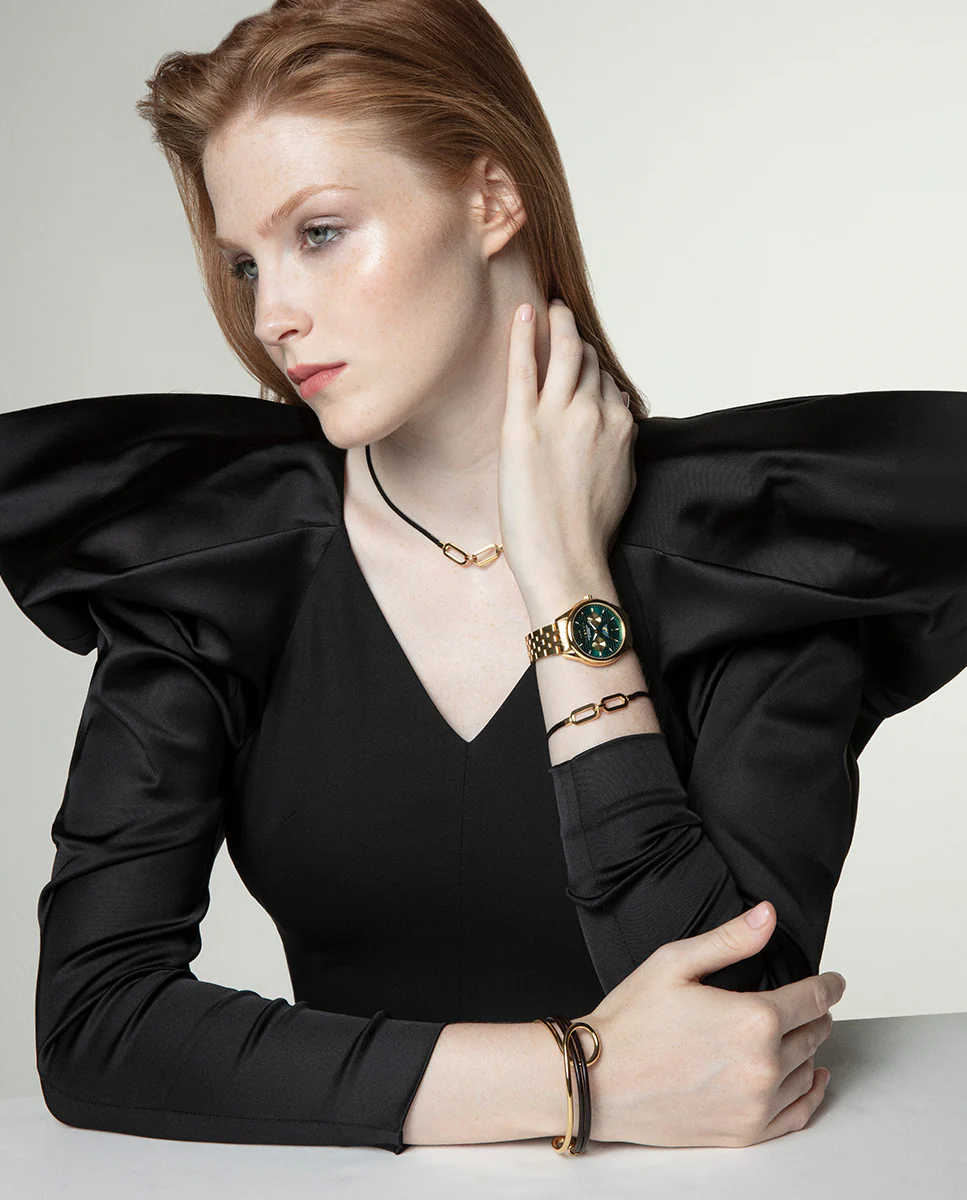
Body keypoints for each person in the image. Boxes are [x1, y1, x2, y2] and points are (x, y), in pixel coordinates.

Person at [1, 0, 965, 1157]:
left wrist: (566, 587)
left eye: (320, 233)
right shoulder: (219, 562)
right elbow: (96, 1025)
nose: (272, 315)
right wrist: (576, 1077)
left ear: (492, 198)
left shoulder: (749, 548)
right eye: (246, 263)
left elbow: (734, 1038)